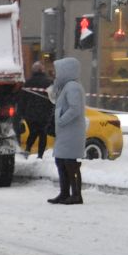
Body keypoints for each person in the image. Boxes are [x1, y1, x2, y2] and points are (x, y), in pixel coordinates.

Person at [50, 55, 86, 205]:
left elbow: (75, 108)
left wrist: (61, 120)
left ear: (66, 71)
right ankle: (64, 193)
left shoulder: (72, 87)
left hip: (71, 132)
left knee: (70, 163)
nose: (55, 74)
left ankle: (76, 195)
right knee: (61, 161)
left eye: (58, 71)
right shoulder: (66, 87)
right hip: (65, 133)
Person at [21, 61, 54, 159]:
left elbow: (23, 99)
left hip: (30, 114)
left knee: (33, 132)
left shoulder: (28, 83)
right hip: (44, 113)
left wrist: (22, 112)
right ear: (42, 70)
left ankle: (27, 149)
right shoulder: (48, 82)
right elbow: (52, 97)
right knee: (42, 134)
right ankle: (40, 155)